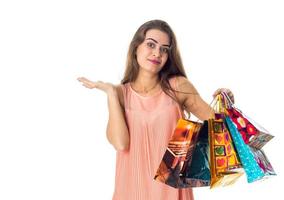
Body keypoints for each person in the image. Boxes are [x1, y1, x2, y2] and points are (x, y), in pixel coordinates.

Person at [77, 19, 234, 200]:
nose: (157, 53)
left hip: (171, 191)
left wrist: (226, 103)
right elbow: (120, 144)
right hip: (131, 190)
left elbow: (222, 129)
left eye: (164, 49)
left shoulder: (178, 86)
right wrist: (111, 93)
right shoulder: (121, 94)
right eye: (151, 44)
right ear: (136, 47)